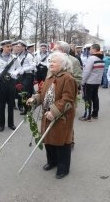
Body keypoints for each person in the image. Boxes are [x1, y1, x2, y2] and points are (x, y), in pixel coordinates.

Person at [26, 51, 77, 179]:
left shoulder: (68, 78)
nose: (51, 64)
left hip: (62, 116)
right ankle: (52, 162)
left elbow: (68, 99)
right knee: (49, 139)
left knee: (61, 142)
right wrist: (35, 99)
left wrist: (54, 112)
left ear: (63, 64)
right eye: (50, 61)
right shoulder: (50, 77)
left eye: (54, 62)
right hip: (46, 114)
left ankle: (63, 168)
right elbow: (43, 93)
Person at [0, 40, 22, 132]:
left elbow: (19, 68)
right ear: (2, 47)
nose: (10, 48)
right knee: (1, 105)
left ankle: (11, 123)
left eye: (10, 46)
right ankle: (1, 124)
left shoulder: (14, 57)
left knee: (11, 104)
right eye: (7, 46)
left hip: (11, 82)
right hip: (1, 82)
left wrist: (15, 72)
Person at [79, 44, 104, 121]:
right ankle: (95, 113)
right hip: (97, 81)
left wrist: (82, 82)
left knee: (87, 98)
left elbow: (87, 71)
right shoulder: (101, 58)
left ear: (94, 49)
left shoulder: (91, 58)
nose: (89, 51)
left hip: (89, 82)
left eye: (90, 49)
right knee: (95, 97)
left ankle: (87, 115)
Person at [16, 40, 36, 115]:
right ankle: (26, 108)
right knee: (21, 93)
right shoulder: (18, 55)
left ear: (24, 47)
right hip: (21, 76)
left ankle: (28, 108)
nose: (17, 48)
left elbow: (33, 66)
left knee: (26, 93)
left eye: (19, 46)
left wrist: (24, 69)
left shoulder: (29, 55)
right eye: (17, 46)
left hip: (28, 76)